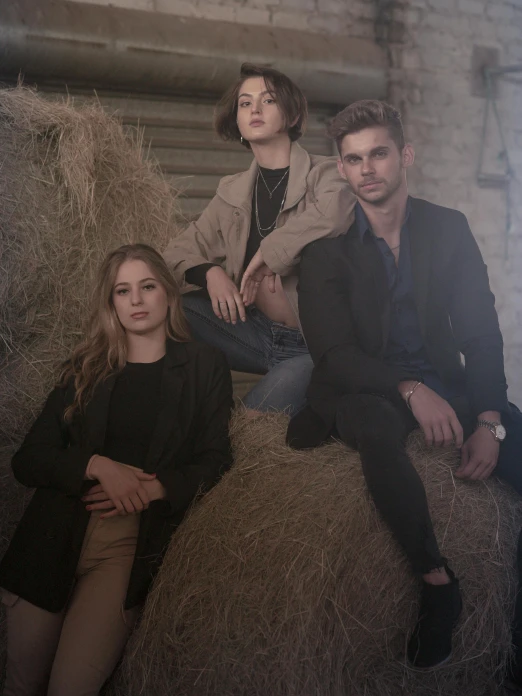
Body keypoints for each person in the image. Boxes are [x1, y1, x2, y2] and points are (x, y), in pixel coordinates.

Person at [287, 99, 522, 675]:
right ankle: (437, 583)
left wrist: (489, 419)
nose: (367, 168)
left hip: (449, 381)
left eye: (379, 154)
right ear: (341, 169)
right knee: (372, 426)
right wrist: (411, 389)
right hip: (367, 389)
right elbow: (335, 356)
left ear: (405, 156)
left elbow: (481, 332)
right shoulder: (324, 255)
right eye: (354, 158)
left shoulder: (449, 229)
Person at [0, 244, 233, 696]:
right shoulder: (87, 367)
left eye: (147, 287)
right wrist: (96, 465)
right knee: (20, 684)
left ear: (167, 292)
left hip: (125, 548)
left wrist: (157, 489)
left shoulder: (204, 366)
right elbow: (27, 459)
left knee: (71, 688)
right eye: (122, 291)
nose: (137, 300)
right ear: (111, 303)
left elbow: (215, 456)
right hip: (52, 536)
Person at [164, 62, 354, 417]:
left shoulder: (325, 173)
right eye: (244, 103)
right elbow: (177, 251)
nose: (254, 109)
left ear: (292, 113)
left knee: (250, 426)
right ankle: (192, 412)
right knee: (169, 311)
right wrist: (209, 272)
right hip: (252, 334)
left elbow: (336, 213)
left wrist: (270, 252)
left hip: (313, 348)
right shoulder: (231, 191)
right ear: (235, 119)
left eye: (267, 101)